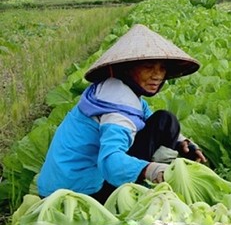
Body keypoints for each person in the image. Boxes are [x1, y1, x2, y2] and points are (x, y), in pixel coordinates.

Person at [37, 24, 207, 203]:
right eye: (148, 66)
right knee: (164, 123)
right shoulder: (117, 110)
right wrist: (151, 170)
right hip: (77, 195)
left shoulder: (115, 91)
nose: (157, 75)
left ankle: (152, 173)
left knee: (165, 121)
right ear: (126, 69)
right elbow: (111, 162)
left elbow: (150, 120)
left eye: (162, 68)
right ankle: (146, 185)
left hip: (59, 184)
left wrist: (183, 142)